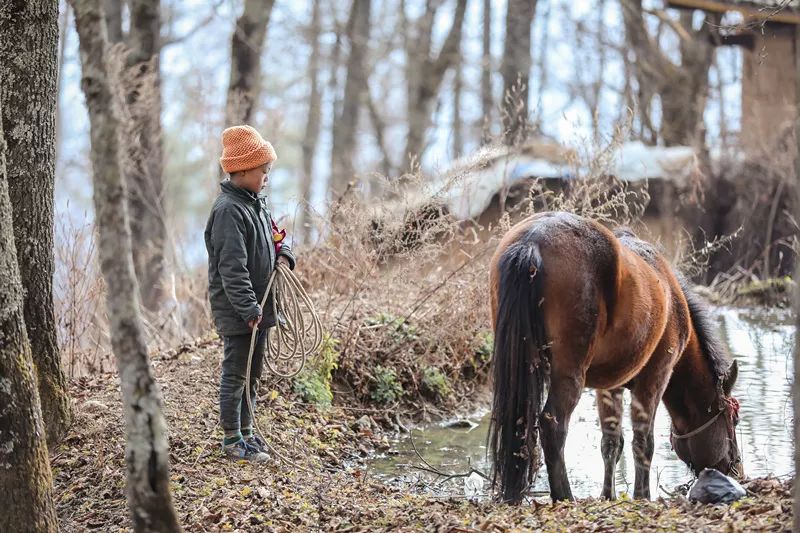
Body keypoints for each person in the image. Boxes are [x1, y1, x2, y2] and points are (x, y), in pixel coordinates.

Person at [204, 125, 296, 462]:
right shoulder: (229, 211)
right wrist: (248, 307)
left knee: (253, 373)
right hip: (241, 311)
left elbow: (276, 237)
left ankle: (248, 432)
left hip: (260, 307)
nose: (266, 178)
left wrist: (285, 252)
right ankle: (232, 440)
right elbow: (232, 269)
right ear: (241, 170)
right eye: (262, 171)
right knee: (236, 373)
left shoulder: (256, 204)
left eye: (268, 171)